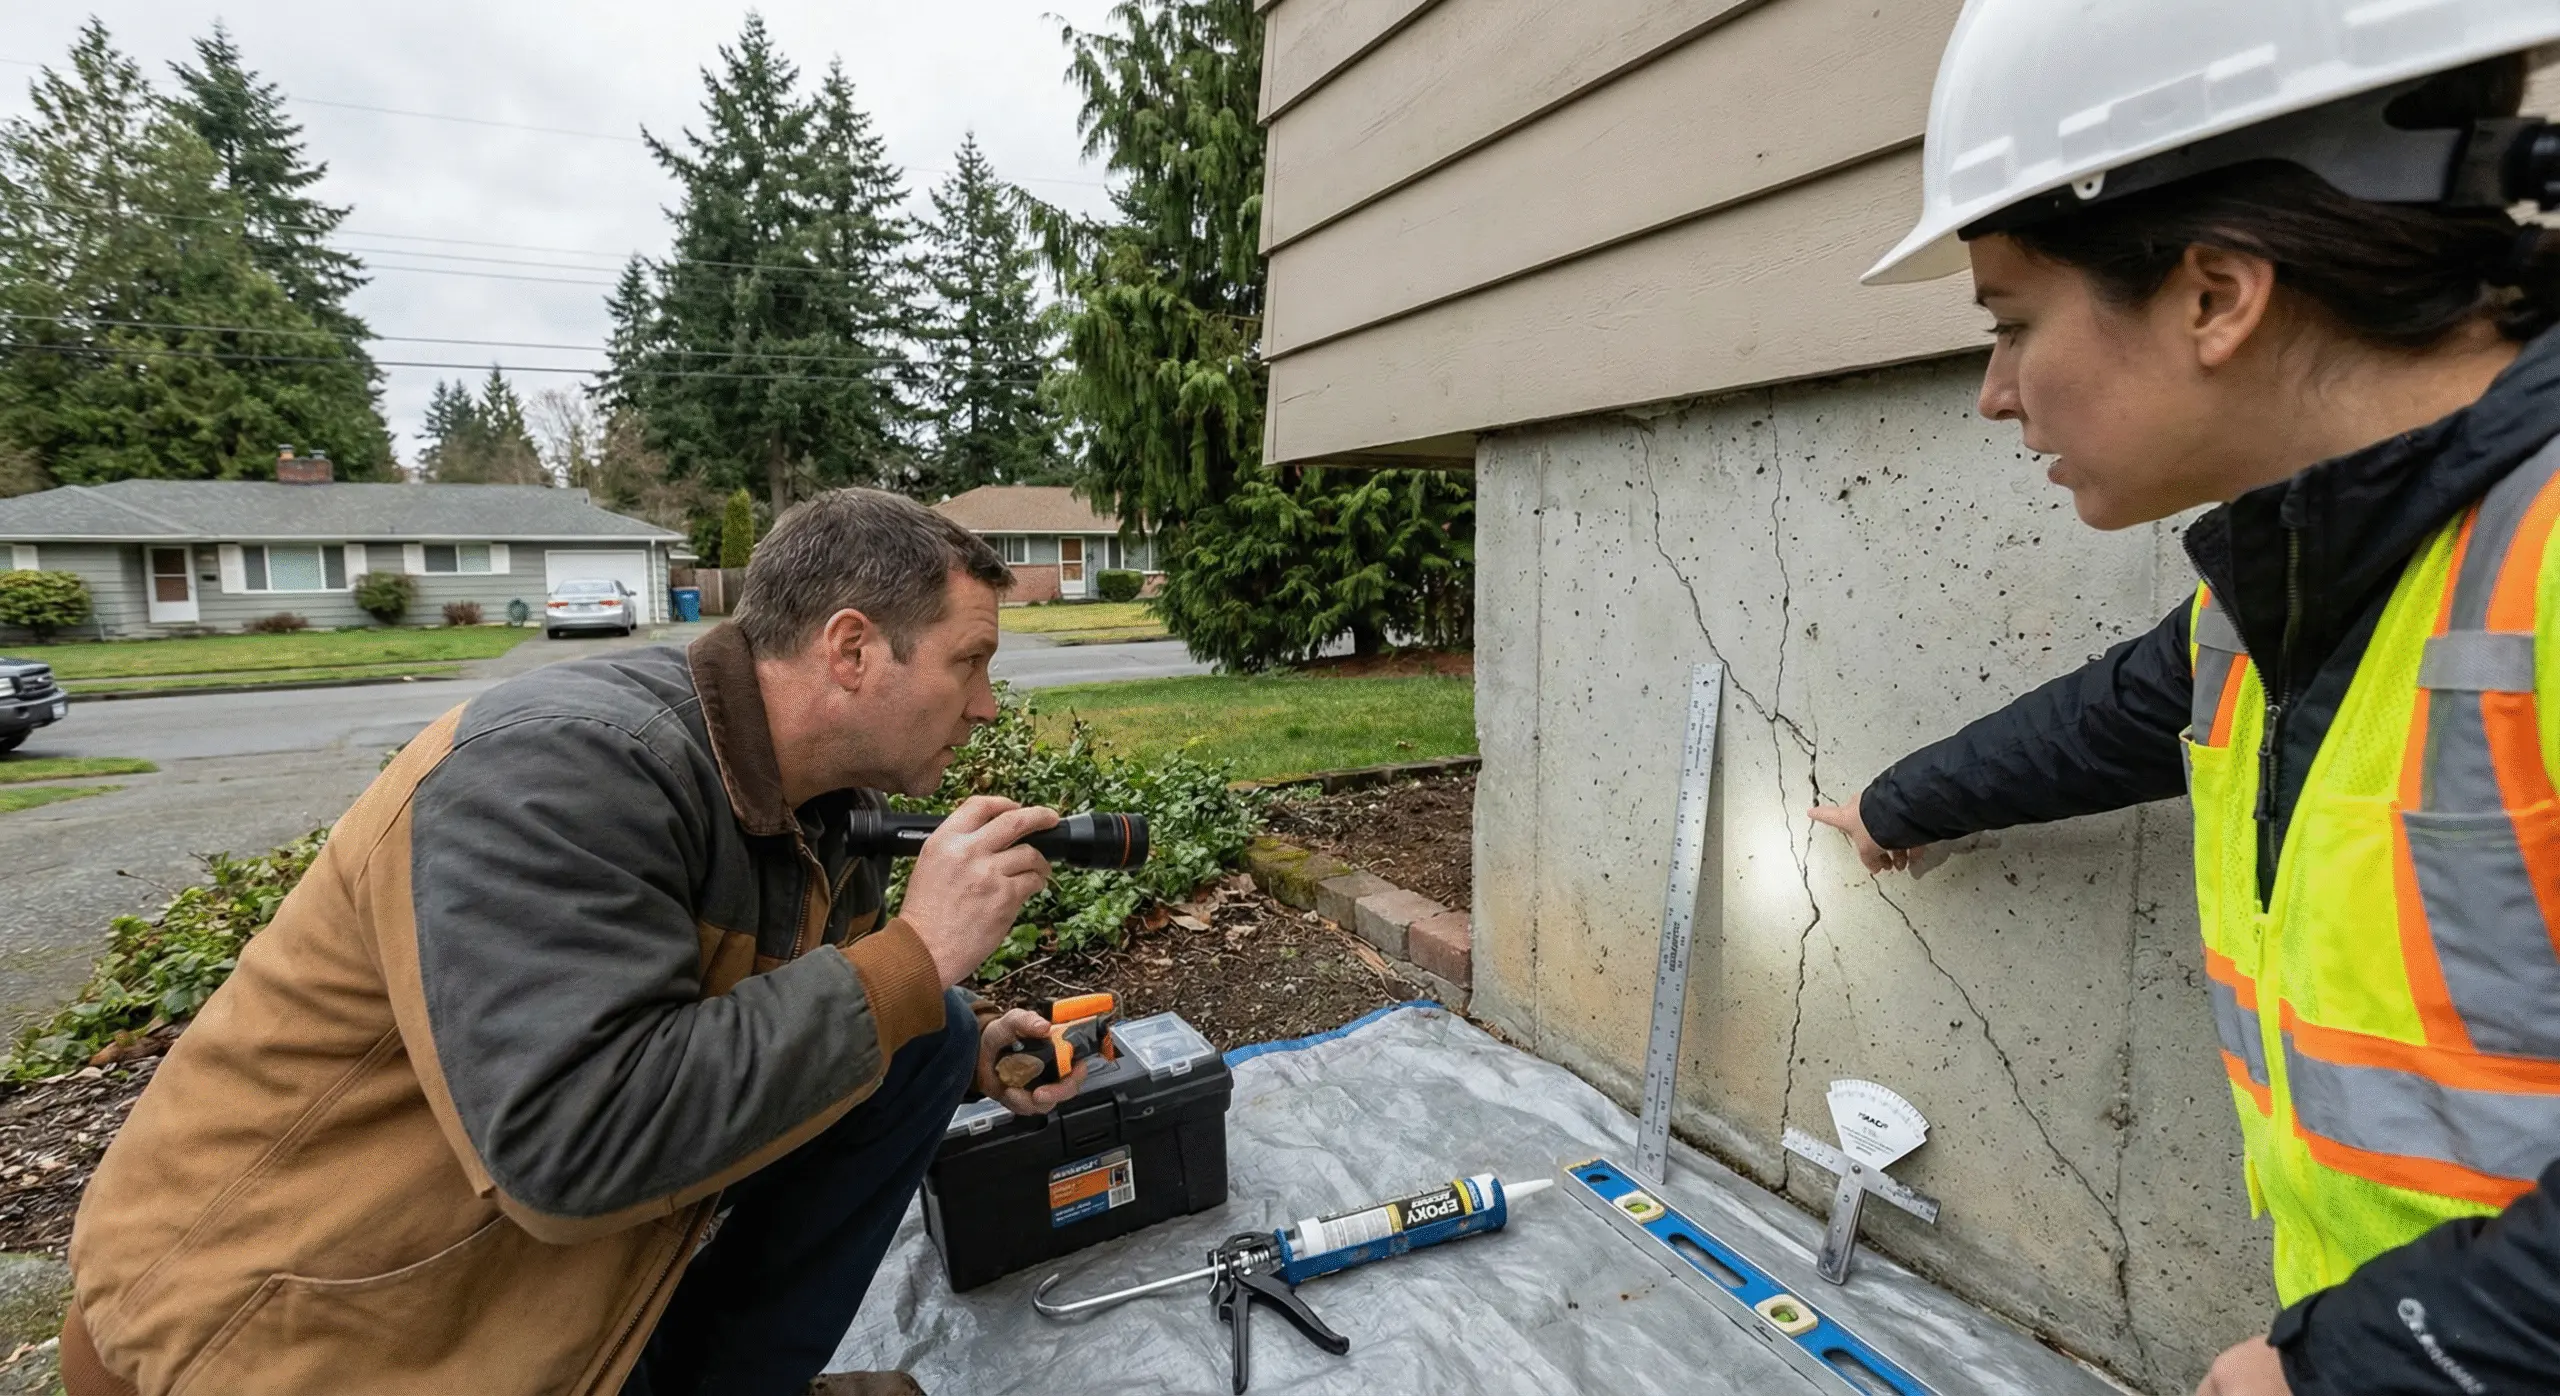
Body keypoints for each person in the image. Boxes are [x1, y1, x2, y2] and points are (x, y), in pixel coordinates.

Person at [1812, 5, 2560, 1394]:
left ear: (2217, 293)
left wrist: (2349, 1368)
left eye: (2014, 321)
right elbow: (2113, 717)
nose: (1994, 393)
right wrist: (1895, 804)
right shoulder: (2308, 577)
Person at [56, 489, 1086, 1396]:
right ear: (852, 649)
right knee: (910, 998)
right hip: (287, 1331)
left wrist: (955, 1047)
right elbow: (570, 1147)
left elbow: (773, 1020)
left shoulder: (819, 805)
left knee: (931, 1036)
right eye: (971, 662)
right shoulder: (559, 769)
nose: (987, 705)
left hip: (525, 1283)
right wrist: (915, 952)